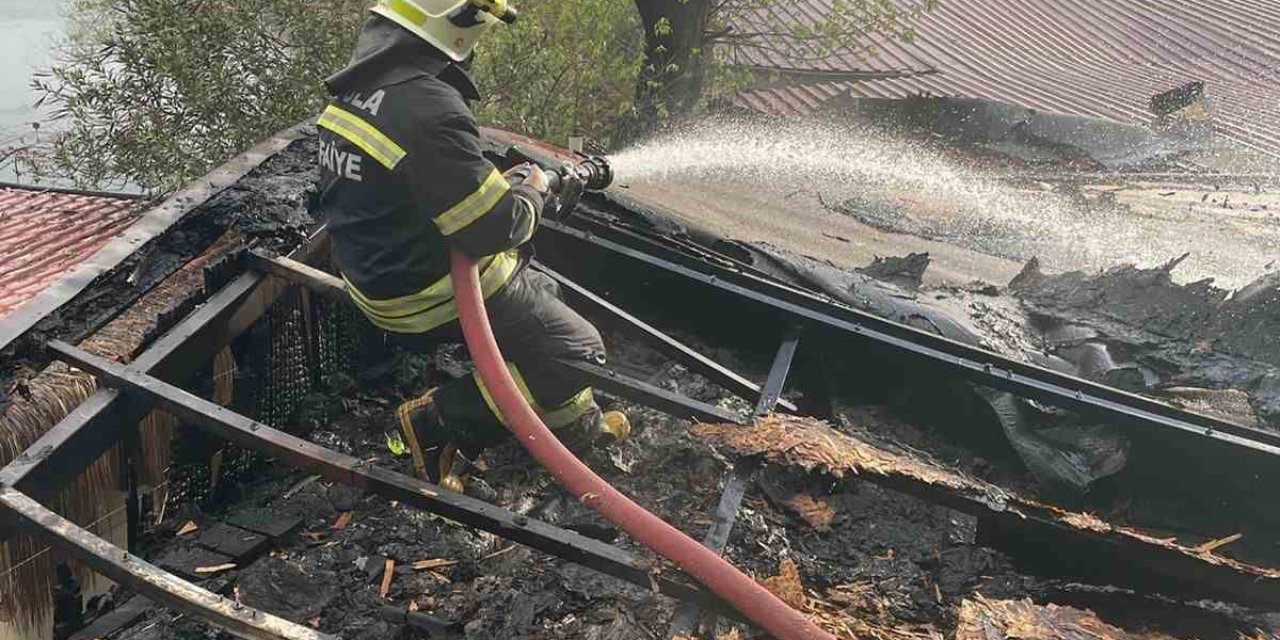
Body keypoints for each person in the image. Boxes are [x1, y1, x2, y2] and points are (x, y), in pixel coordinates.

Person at [313, 0, 628, 492]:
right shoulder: (429, 108)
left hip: (378, 272)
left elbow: (419, 183)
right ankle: (436, 422)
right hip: (426, 297)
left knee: (543, 297)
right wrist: (533, 189)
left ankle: (575, 429)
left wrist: (494, 188)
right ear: (460, 28)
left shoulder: (357, 89)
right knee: (578, 351)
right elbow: (494, 230)